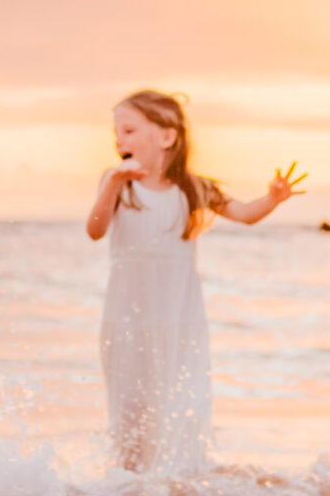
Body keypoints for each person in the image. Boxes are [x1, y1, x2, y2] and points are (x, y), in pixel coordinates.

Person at [83, 89, 305, 474]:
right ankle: (128, 488)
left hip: (178, 319)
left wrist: (272, 199)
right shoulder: (118, 183)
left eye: (130, 130)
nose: (119, 140)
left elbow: (245, 214)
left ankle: (179, 488)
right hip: (126, 320)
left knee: (179, 405)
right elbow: (95, 230)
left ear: (167, 137)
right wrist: (114, 184)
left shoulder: (194, 188)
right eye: (116, 132)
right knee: (130, 408)